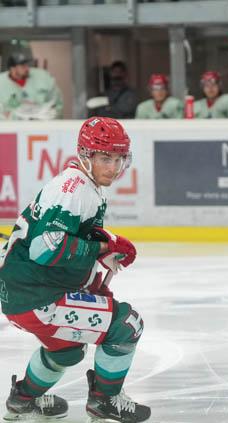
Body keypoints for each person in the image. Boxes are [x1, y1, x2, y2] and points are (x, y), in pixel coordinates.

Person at [0, 117, 150, 422]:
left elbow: (62, 246)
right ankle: (105, 401)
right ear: (85, 154)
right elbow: (45, 249)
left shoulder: (84, 185)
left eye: (119, 159)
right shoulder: (74, 190)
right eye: (105, 158)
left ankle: (23, 399)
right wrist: (103, 247)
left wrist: (103, 252)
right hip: (36, 298)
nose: (114, 167)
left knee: (66, 350)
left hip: (23, 294)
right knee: (127, 325)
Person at [0, 51, 63, 120]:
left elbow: (57, 103)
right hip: (12, 125)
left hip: (43, 123)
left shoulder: (43, 76)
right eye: (23, 66)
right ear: (13, 69)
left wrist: (47, 113)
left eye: (27, 65)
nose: (27, 68)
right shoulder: (1, 82)